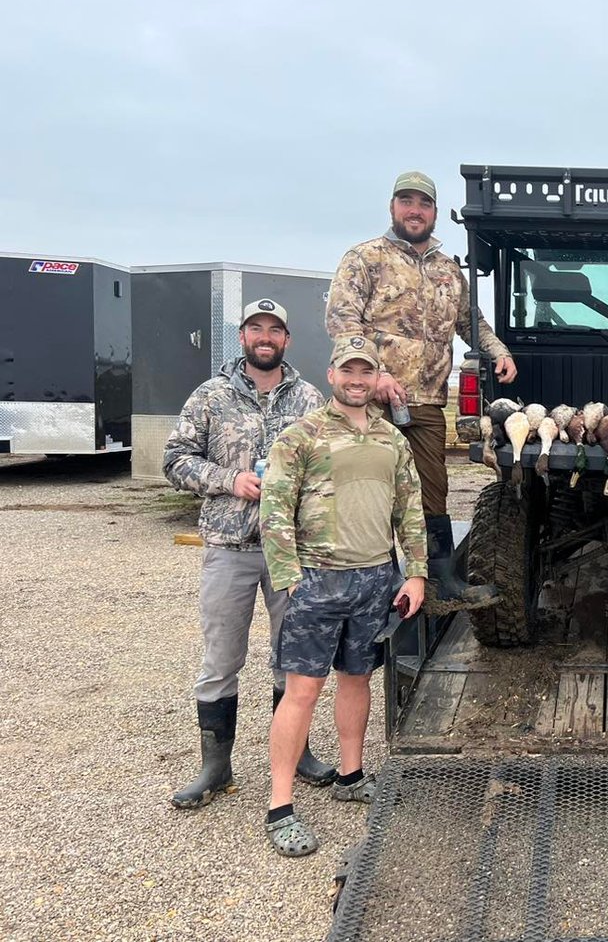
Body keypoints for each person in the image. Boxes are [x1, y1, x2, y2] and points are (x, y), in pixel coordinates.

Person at [259, 335, 429, 857]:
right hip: (317, 580)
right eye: (347, 370)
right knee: (302, 691)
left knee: (357, 680)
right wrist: (290, 579)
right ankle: (280, 805)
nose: (357, 380)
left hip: (375, 578)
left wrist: (416, 572)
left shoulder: (391, 439)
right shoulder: (301, 435)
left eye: (366, 371)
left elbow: (410, 506)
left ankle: (351, 775)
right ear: (331, 375)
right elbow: (274, 509)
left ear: (376, 379)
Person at [162, 298, 334, 810]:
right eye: (256, 329)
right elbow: (174, 460)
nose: (265, 337)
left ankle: (297, 752)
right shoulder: (211, 397)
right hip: (229, 548)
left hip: (291, 554)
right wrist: (228, 479)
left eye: (275, 330)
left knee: (293, 660)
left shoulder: (308, 399)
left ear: (287, 340)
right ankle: (216, 767)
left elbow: (327, 467)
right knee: (220, 660)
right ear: (242, 337)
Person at [325, 170, 516, 569]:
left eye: (424, 203)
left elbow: (470, 321)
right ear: (392, 207)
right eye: (407, 201)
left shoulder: (448, 269)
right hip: (370, 403)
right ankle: (372, 576)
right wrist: (374, 375)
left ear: (433, 212)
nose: (415, 210)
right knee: (369, 489)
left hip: (427, 403)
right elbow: (342, 322)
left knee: (432, 492)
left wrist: (500, 351)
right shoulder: (365, 258)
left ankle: (438, 577)